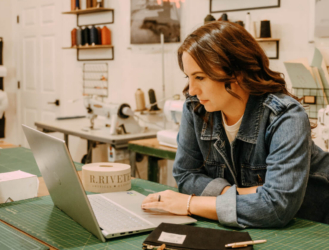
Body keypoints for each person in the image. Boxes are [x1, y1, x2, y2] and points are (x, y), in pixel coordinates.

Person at [141, 21, 329, 228]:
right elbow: (185, 175)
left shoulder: (285, 116)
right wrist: (239, 194)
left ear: (236, 73)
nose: (192, 90)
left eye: (200, 77)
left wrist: (189, 203)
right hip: (255, 223)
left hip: (312, 225)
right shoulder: (196, 108)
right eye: (189, 77)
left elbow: (277, 207)